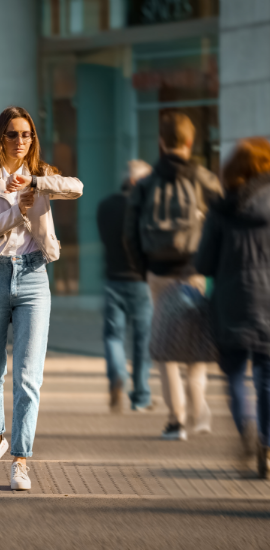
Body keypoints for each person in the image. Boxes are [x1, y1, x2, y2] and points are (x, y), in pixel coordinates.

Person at [0, 106, 83, 490]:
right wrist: (17, 213)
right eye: (13, 134)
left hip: (33, 277)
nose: (21, 141)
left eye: (27, 134)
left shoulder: (41, 175)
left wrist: (35, 184)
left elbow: (77, 187)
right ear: (1, 137)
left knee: (29, 377)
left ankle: (21, 459)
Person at [124, 112, 222, 441]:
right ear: (190, 142)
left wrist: (143, 268)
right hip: (195, 272)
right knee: (196, 341)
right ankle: (199, 408)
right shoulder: (204, 178)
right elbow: (223, 222)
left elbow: (129, 233)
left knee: (165, 347)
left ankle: (175, 420)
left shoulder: (147, 183)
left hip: (159, 273)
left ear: (161, 142)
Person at [196, 137, 270, 478]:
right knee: (267, 377)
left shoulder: (221, 209)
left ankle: (248, 432)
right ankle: (267, 446)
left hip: (230, 302)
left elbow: (204, 262)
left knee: (236, 376)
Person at [97, 160, 153, 413]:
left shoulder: (105, 206)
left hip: (113, 278)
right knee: (142, 340)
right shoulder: (145, 208)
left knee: (113, 335)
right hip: (141, 281)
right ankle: (140, 398)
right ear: (137, 182)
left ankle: (118, 374)